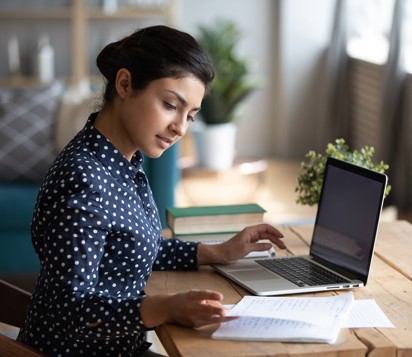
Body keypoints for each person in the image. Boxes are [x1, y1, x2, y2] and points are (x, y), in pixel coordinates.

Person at [17, 25, 286, 356]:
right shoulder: (83, 179)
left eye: (190, 115)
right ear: (125, 84)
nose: (180, 128)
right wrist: (166, 308)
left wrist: (216, 252)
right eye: (171, 105)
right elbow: (69, 311)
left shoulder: (123, 162)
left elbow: (129, 250)